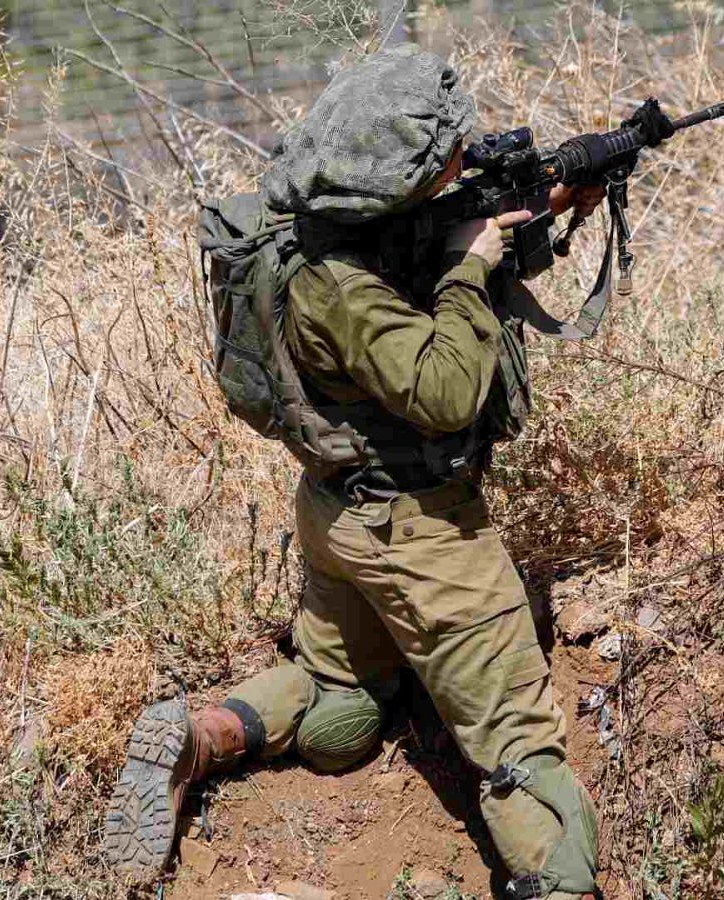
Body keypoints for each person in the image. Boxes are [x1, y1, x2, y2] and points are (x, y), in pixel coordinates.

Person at [103, 45, 606, 900]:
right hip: (423, 534)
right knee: (523, 751)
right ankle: (559, 884)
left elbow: (419, 267)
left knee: (344, 711)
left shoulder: (317, 233)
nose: (460, 154)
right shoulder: (343, 286)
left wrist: (544, 212)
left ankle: (202, 738)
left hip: (338, 515)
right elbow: (445, 390)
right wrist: (471, 265)